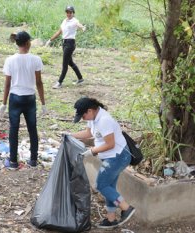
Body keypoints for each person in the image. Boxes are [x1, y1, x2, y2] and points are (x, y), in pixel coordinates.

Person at [71, 97, 135, 229]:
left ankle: (126, 208)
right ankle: (111, 219)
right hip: (109, 157)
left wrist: (92, 151)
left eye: (83, 115)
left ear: (90, 110)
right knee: (109, 187)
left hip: (117, 157)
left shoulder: (104, 120)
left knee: (101, 185)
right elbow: (88, 133)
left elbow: (110, 144)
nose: (83, 118)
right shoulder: (93, 118)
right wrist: (71, 135)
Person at [0, 31, 47, 170]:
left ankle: (13, 161)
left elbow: (7, 83)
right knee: (32, 129)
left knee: (13, 129)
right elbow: (39, 82)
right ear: (27, 43)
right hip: (30, 98)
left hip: (15, 98)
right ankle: (33, 160)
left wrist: (3, 103)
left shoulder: (10, 60)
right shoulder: (35, 59)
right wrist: (43, 103)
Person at [46, 5, 86, 89]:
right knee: (70, 62)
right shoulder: (64, 21)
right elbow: (59, 31)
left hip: (70, 43)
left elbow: (79, 25)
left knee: (65, 64)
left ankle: (59, 82)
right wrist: (50, 40)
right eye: (67, 12)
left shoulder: (75, 21)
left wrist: (82, 28)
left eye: (70, 12)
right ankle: (80, 78)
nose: (69, 14)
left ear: (73, 13)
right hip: (64, 43)